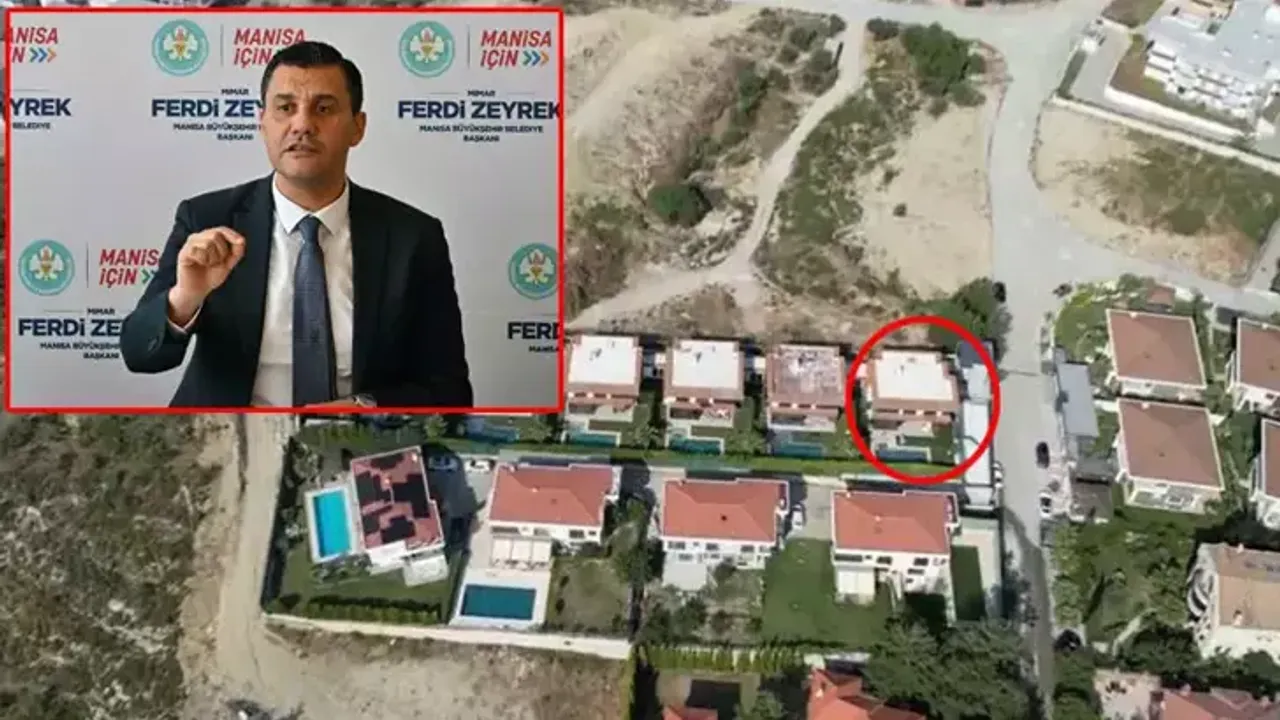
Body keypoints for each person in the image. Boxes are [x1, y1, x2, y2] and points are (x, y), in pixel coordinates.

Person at [120, 41, 473, 409]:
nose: (302, 124)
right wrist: (185, 298)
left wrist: (364, 408)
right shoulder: (208, 218)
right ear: (263, 123)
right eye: (285, 108)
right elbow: (139, 354)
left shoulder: (413, 237)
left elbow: (449, 390)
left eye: (324, 108)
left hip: (355, 433)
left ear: (357, 127)